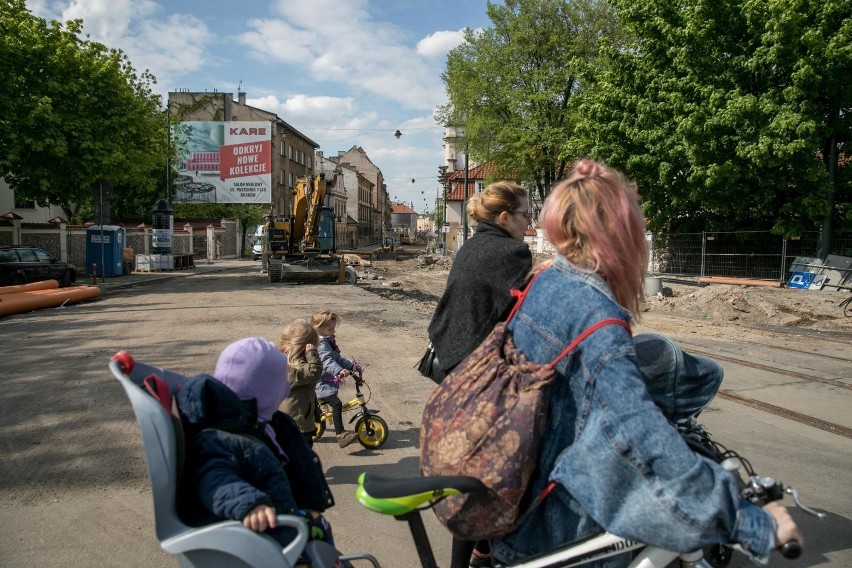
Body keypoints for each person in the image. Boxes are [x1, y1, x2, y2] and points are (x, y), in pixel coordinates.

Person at [489, 160, 802, 566]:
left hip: (515, 505)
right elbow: (639, 433)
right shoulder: (598, 317)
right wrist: (748, 519)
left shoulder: (544, 283)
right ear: (622, 234)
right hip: (555, 529)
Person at [427, 181, 533, 568]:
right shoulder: (511, 251)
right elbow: (523, 315)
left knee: (475, 471)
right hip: (476, 371)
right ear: (505, 218)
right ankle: (482, 553)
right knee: (498, 471)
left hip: (452, 361)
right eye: (525, 215)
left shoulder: (472, 244)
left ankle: (479, 552)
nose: (529, 223)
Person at [176, 337, 335, 552]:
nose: (288, 387)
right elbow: (213, 477)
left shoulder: (259, 423)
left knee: (319, 525)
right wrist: (249, 503)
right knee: (316, 529)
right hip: (264, 533)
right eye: (282, 381)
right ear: (264, 390)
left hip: (279, 517)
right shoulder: (219, 437)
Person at [310, 310, 361, 449]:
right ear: (319, 329)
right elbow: (326, 361)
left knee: (334, 402)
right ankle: (341, 435)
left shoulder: (328, 340)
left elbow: (336, 358)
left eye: (333, 328)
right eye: (330, 329)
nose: (333, 331)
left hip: (326, 382)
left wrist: (352, 366)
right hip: (320, 384)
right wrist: (339, 370)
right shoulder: (320, 343)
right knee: (337, 404)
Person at [278, 319, 323, 447]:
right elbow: (314, 372)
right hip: (298, 420)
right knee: (302, 454)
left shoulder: (283, 361)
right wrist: (312, 354)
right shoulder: (296, 368)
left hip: (285, 417)